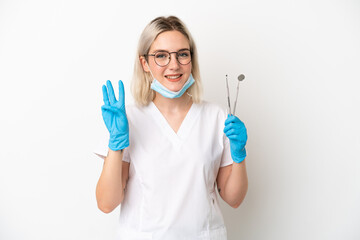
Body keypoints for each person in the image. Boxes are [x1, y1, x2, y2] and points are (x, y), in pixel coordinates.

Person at [94, 16, 248, 240]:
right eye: (161, 56)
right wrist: (115, 144)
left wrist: (240, 155)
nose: (174, 65)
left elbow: (234, 199)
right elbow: (107, 203)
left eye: (182, 54)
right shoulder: (128, 119)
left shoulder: (217, 117)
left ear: (191, 60)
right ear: (144, 63)